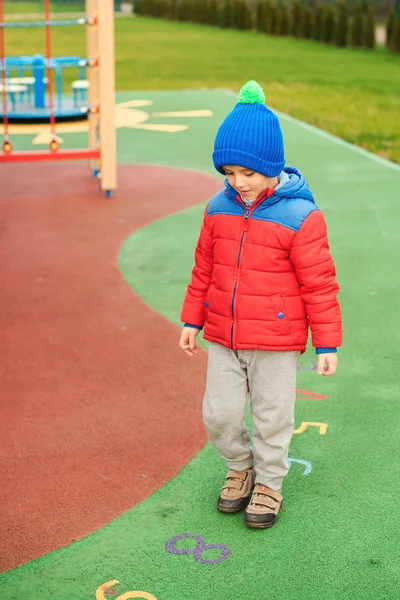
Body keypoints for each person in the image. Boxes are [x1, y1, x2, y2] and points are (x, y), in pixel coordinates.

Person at [179, 80, 342, 529]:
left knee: (273, 416)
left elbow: (320, 285)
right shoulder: (218, 208)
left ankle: (270, 482)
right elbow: (203, 269)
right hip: (225, 336)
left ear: (272, 167)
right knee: (219, 414)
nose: (238, 183)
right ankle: (239, 465)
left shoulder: (300, 217)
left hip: (276, 340)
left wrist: (326, 344)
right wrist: (192, 319)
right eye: (229, 173)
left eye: (248, 173)